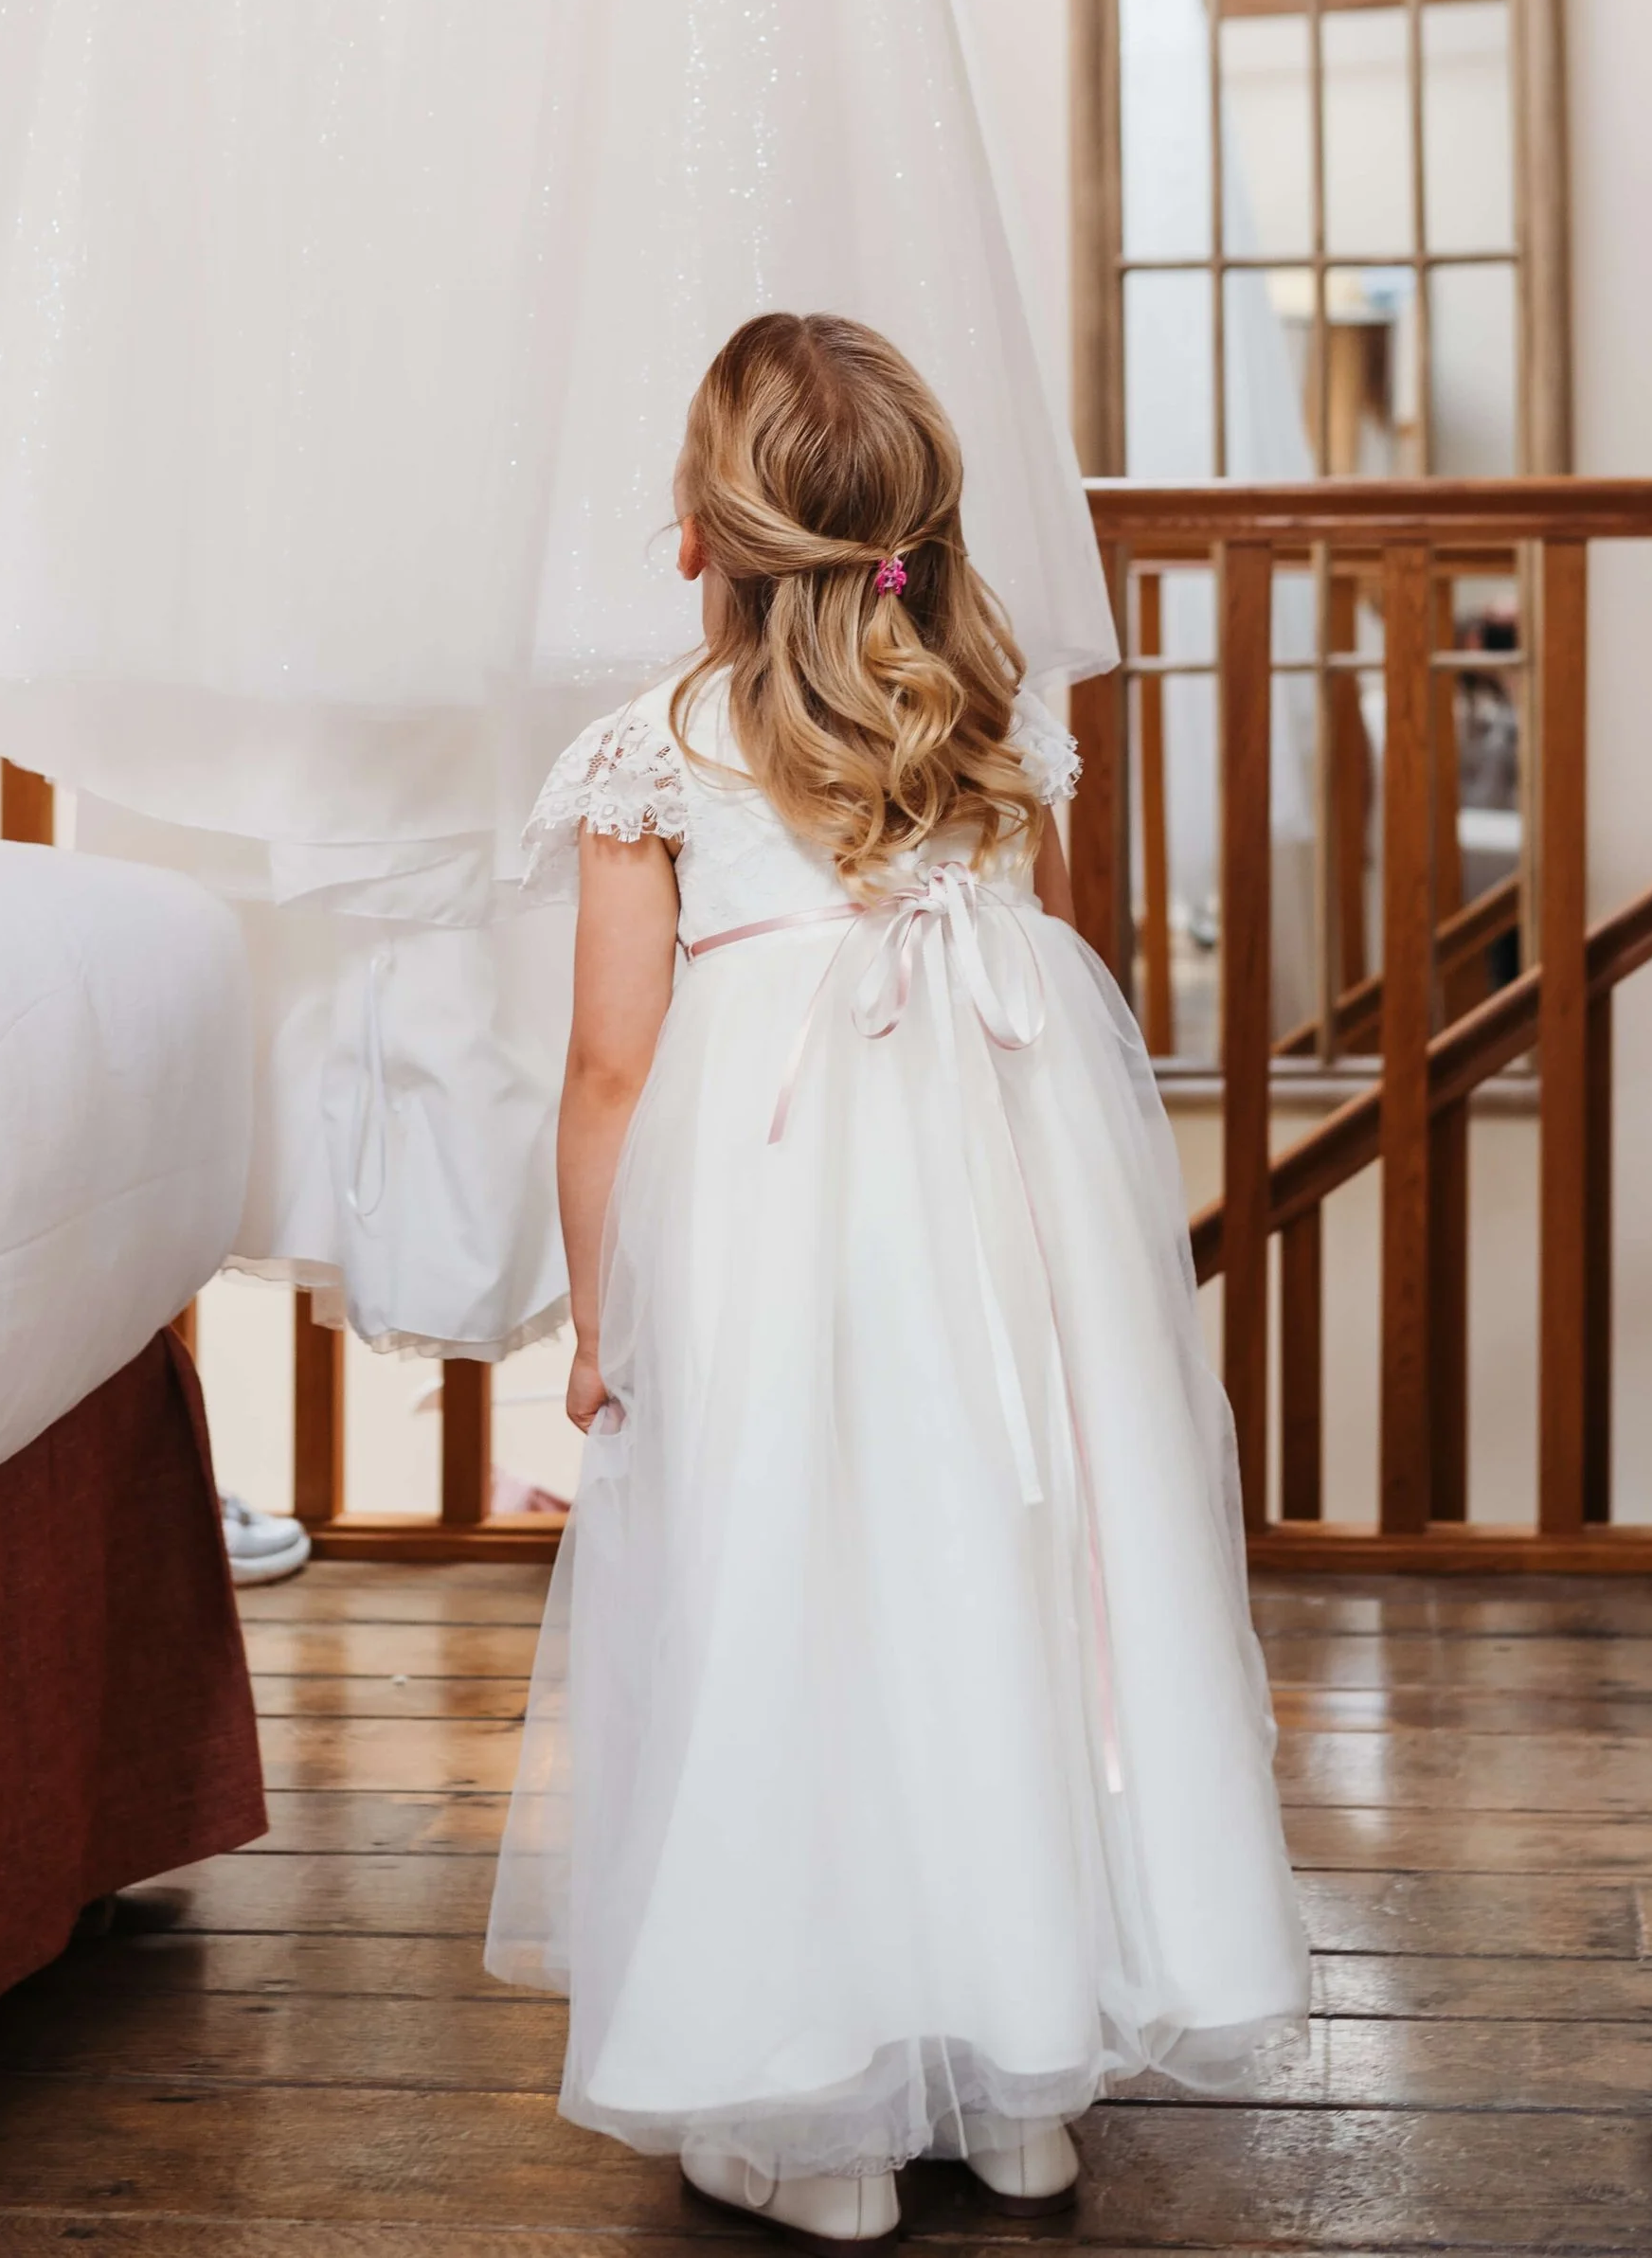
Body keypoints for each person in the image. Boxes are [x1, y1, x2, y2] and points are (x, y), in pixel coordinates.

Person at [485, 314, 1307, 2245]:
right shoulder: (998, 724)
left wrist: (602, 1314)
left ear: (700, 530)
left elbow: (610, 1070)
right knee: (981, 1605)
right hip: (999, 1256)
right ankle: (1013, 2084)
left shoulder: (657, 752)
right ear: (913, 533)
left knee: (780, 1609)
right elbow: (1029, 1020)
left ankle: (815, 2120)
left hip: (774, 1249)